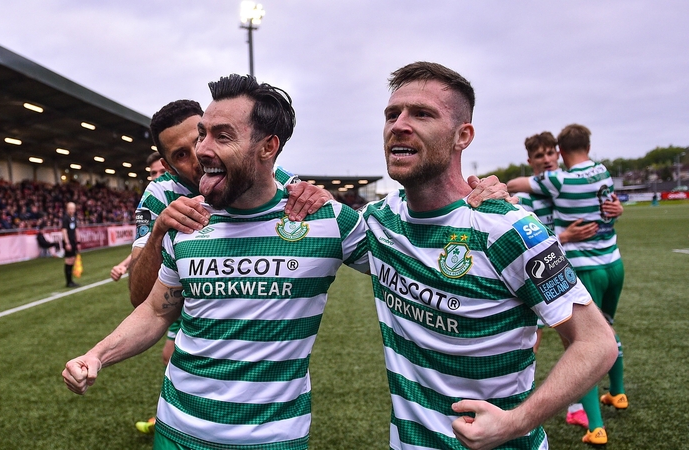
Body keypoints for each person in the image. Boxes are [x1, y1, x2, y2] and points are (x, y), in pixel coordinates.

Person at [64, 74, 371, 450]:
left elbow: (406, 259)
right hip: (176, 431)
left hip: (272, 439)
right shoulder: (186, 219)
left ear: (268, 147)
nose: (201, 151)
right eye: (202, 135)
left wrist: (464, 207)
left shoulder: (322, 218)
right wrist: (97, 355)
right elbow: (156, 311)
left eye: (220, 136)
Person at [358, 62, 618, 449]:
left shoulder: (509, 227)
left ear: (463, 136)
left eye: (422, 113)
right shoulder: (379, 221)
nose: (399, 124)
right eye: (392, 114)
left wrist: (516, 422)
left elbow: (597, 343)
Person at [508, 124, 627, 445]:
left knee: (581, 341)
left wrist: (617, 209)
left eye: (550, 153)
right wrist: (564, 236)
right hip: (536, 277)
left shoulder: (565, 186)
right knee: (530, 339)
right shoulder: (527, 198)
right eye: (538, 156)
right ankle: (520, 397)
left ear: (558, 154)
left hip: (567, 277)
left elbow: (602, 210)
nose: (546, 159)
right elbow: (523, 238)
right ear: (531, 161)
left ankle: (580, 406)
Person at [109, 153, 166, 282]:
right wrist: (122, 266)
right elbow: (143, 243)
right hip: (161, 275)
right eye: (153, 173)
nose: (157, 177)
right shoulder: (147, 203)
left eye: (163, 171)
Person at [61, 201, 80, 288]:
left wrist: (78, 241)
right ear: (67, 209)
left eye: (73, 209)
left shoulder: (74, 218)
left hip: (73, 241)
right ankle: (68, 282)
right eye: (71, 209)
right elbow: (64, 231)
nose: (72, 210)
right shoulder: (65, 218)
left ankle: (71, 280)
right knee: (68, 260)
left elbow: (76, 230)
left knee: (72, 259)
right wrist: (67, 242)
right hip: (68, 241)